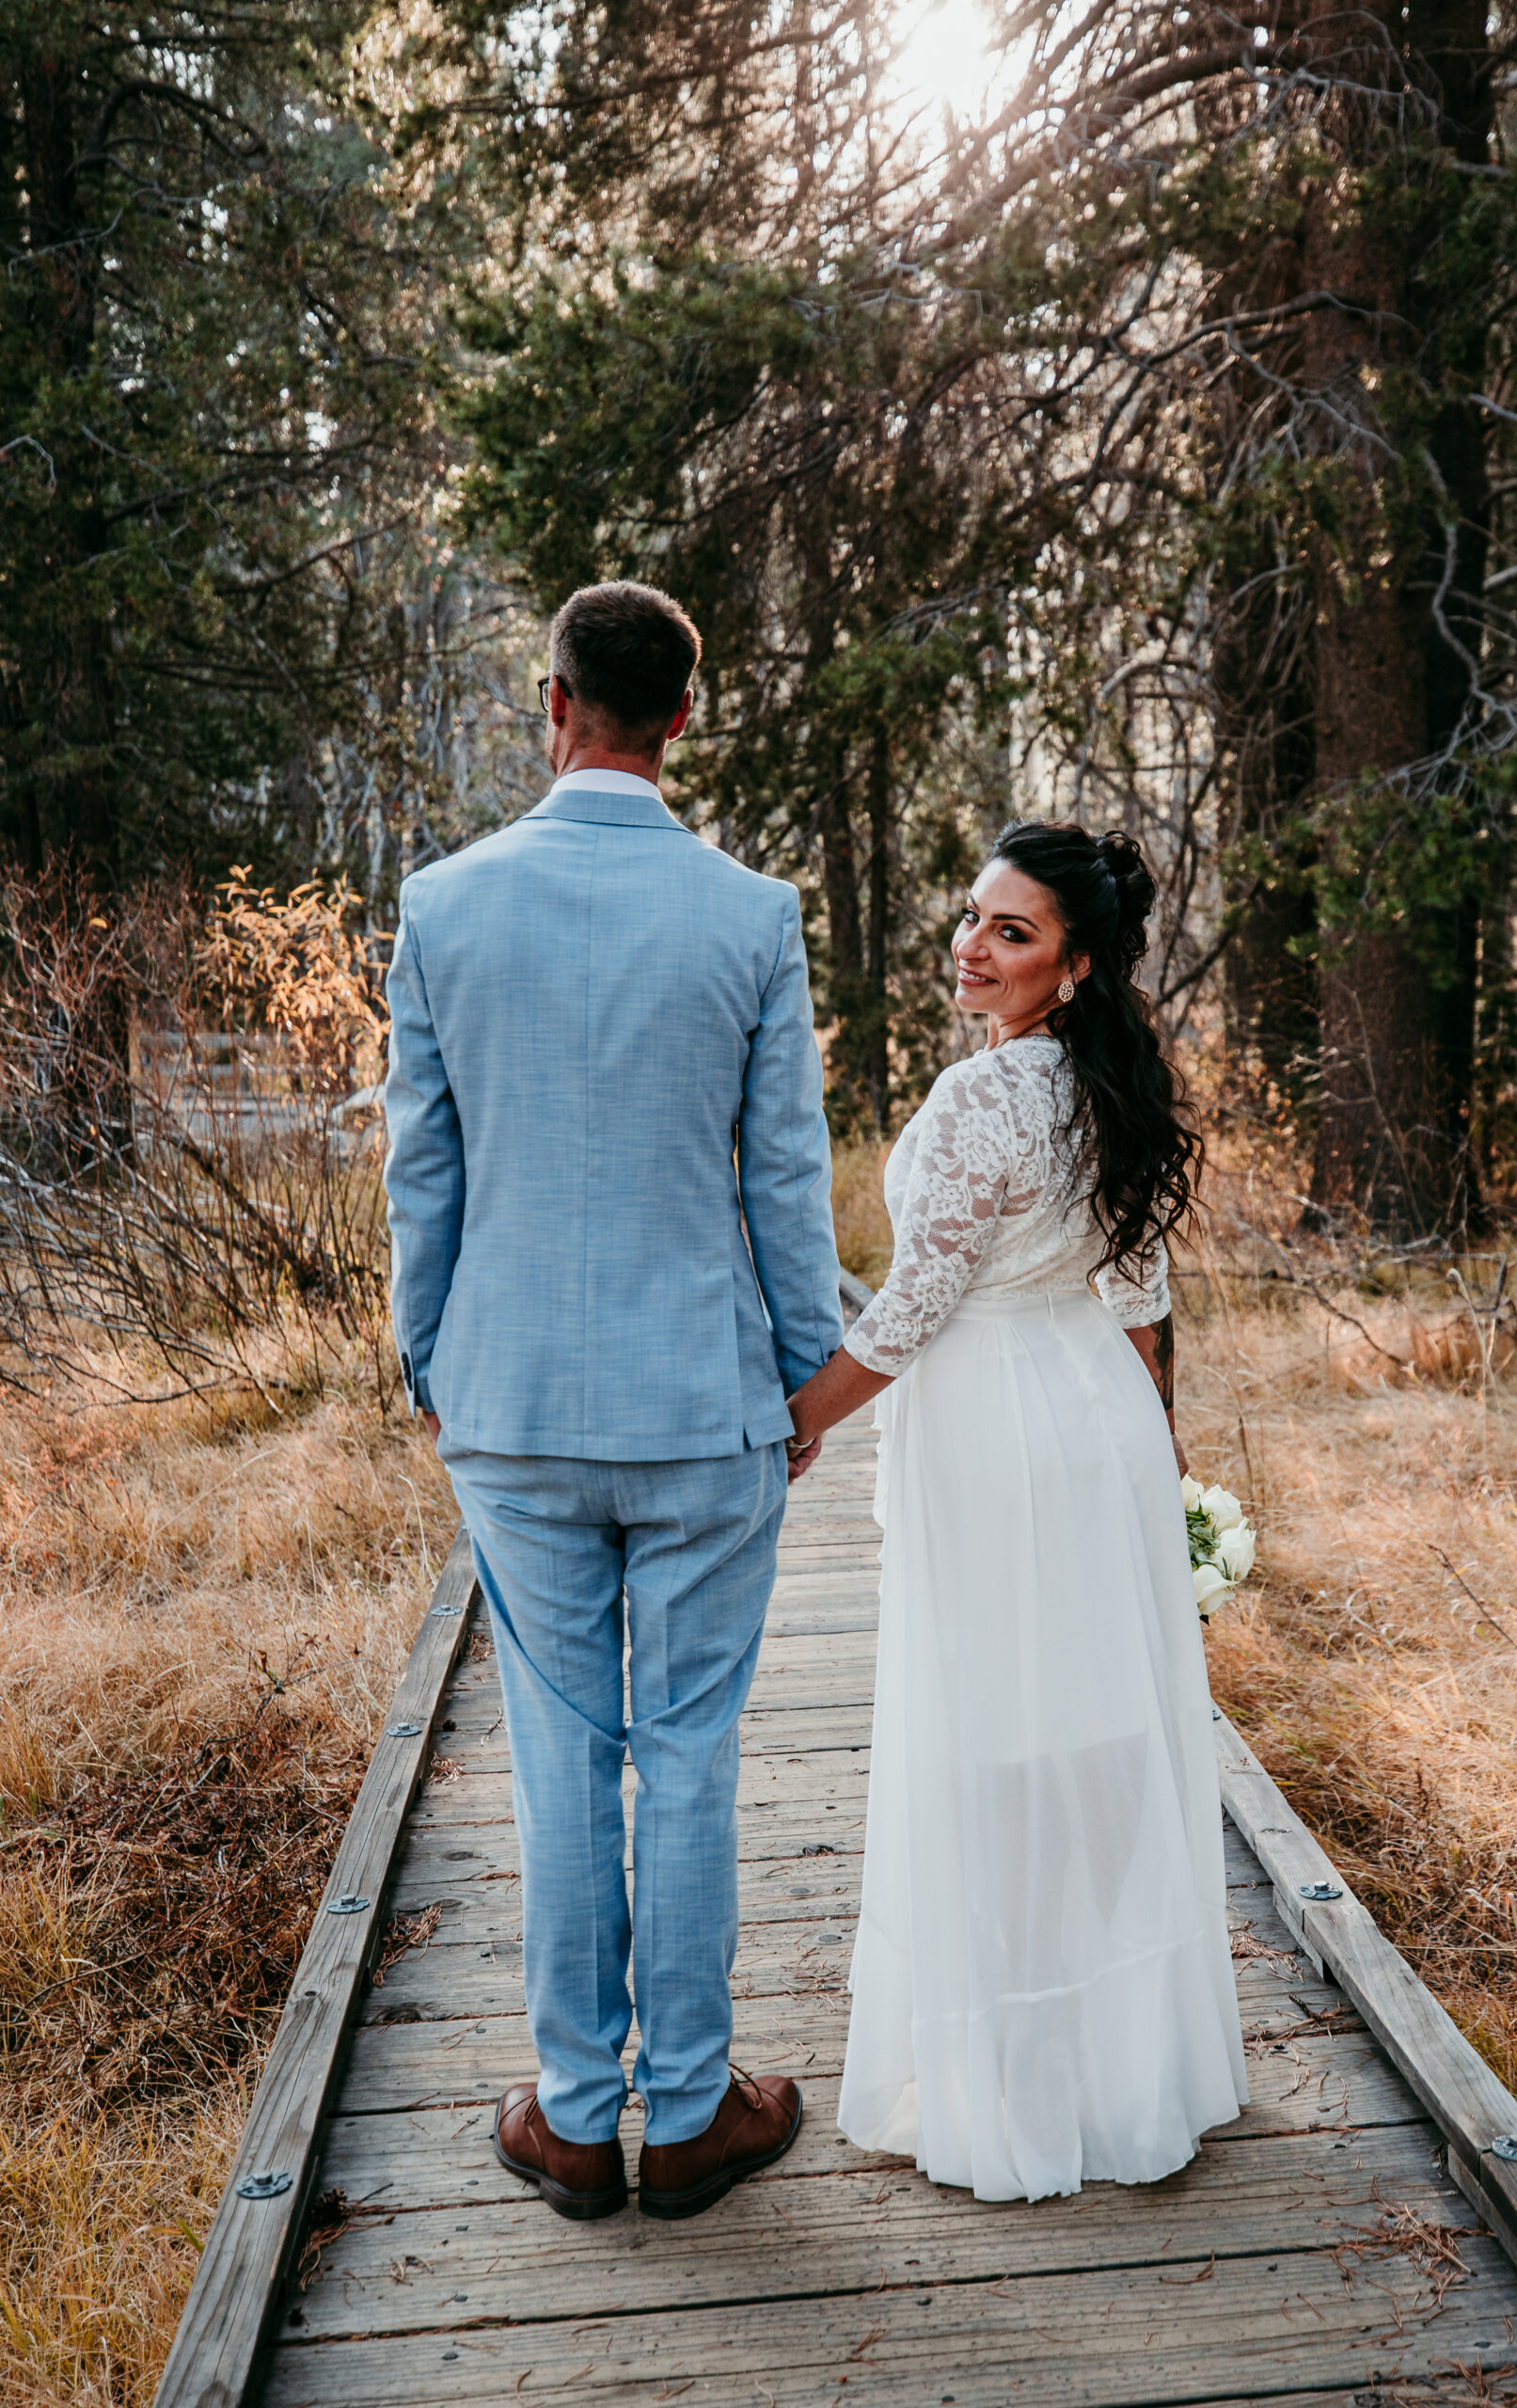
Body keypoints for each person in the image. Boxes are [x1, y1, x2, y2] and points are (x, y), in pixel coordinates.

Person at [383, 580, 842, 2222]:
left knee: (562, 1757)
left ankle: (576, 2119)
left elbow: (420, 1166)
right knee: (694, 1752)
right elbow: (786, 1173)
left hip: (511, 1403)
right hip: (704, 1405)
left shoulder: (442, 906)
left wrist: (426, 1355)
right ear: (685, 717)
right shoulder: (751, 915)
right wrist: (808, 1378)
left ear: (552, 697)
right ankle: (698, 2103)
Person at [785, 820, 1249, 2202]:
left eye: (1013, 933)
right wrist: (1156, 1445)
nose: (974, 949)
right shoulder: (1110, 1084)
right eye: (976, 919)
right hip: (1095, 1415)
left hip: (993, 1425)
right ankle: (1116, 2057)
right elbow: (1142, 1291)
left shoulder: (984, 1101)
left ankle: (1025, 2079)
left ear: (1078, 964)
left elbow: (916, 1308)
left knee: (995, 1734)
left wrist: (793, 1424)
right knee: (1096, 1726)